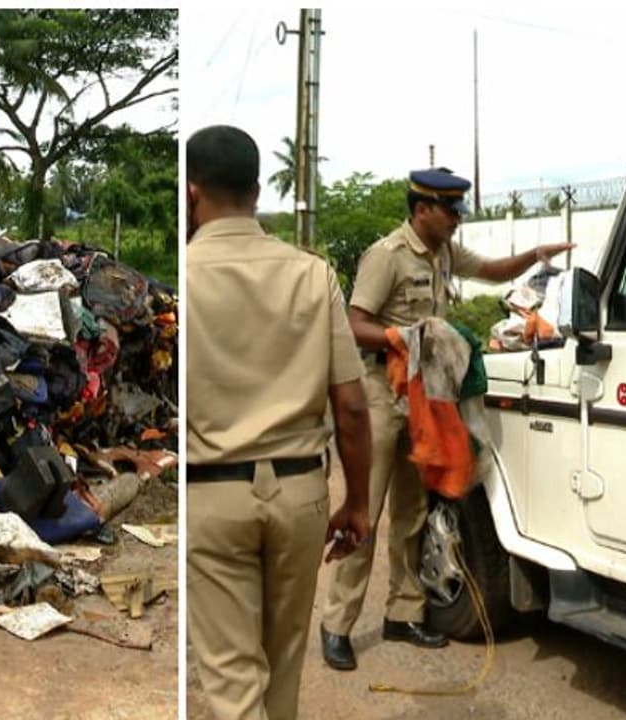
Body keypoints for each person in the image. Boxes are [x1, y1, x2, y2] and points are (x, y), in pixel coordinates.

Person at [319, 167, 574, 671]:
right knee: (364, 517)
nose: (458, 217)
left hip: (422, 399)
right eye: (451, 209)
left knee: (414, 512)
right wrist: (401, 338)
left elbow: (495, 271)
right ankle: (337, 624)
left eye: (459, 209)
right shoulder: (387, 257)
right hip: (380, 395)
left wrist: (534, 257)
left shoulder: (444, 252)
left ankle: (403, 612)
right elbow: (354, 325)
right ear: (422, 209)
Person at [187, 124, 373, 720]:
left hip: (210, 497)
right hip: (299, 495)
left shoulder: (182, 280)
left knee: (232, 680)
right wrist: (358, 503)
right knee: (282, 668)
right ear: (257, 189)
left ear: (191, 193)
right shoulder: (311, 275)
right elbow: (350, 405)